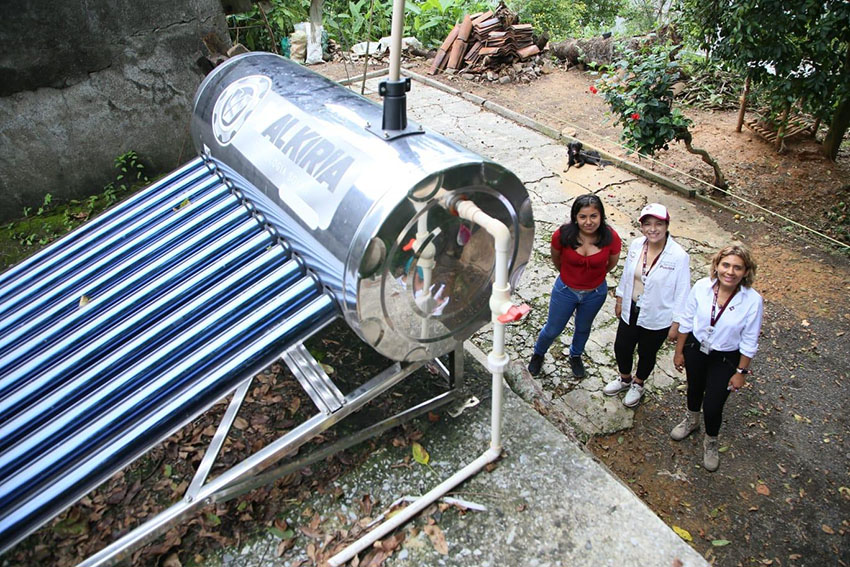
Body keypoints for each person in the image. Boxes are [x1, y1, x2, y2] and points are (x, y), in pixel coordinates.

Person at [670, 244, 763, 472]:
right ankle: (692, 420)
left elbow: (750, 340)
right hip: (696, 348)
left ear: (746, 271)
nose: (730, 272)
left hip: (726, 357)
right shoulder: (702, 286)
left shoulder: (752, 300)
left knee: (713, 405)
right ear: (717, 265)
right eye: (726, 265)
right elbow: (687, 320)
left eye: (737, 267)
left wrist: (741, 373)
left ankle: (711, 440)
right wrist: (679, 351)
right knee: (694, 388)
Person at [603, 203, 691, 407]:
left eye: (658, 224)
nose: (653, 229)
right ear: (641, 226)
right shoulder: (636, 245)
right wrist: (620, 298)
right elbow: (627, 274)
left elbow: (683, 292)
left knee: (647, 352)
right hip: (631, 308)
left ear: (667, 225)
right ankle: (624, 378)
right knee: (622, 347)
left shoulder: (678, 256)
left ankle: (638, 383)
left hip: (658, 315)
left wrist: (676, 323)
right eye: (647, 224)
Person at [527, 194, 621, 378]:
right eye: (583, 216)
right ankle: (538, 353)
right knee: (553, 329)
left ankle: (576, 355)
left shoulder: (611, 237)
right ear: (575, 218)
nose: (588, 222)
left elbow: (611, 263)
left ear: (601, 216)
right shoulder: (563, 234)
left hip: (595, 293)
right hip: (565, 291)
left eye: (593, 216)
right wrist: (570, 277)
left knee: (583, 328)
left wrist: (592, 277)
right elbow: (556, 258)